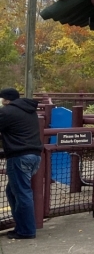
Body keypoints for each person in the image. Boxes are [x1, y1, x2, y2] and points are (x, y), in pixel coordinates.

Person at [0, 88, 43, 239]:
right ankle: (21, 226)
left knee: (22, 193)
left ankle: (26, 231)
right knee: (13, 191)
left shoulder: (7, 112)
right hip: (35, 156)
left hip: (19, 156)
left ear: (5, 100)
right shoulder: (29, 110)